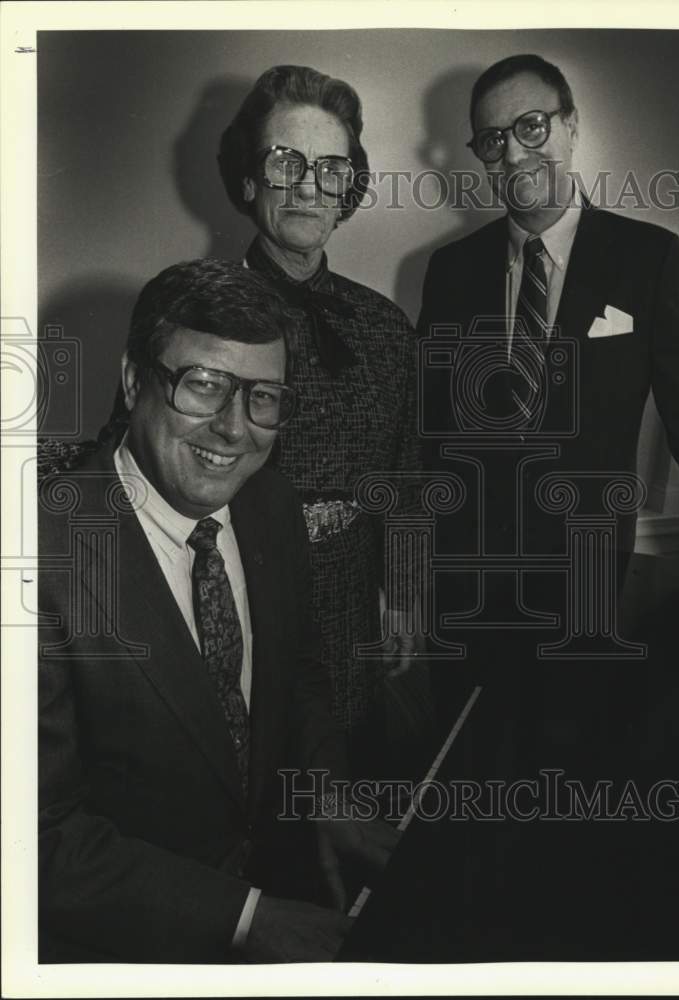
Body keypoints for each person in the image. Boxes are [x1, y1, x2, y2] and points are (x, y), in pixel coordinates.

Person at [37, 259, 396, 964]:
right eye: (204, 386)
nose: (235, 429)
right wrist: (248, 919)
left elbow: (299, 674)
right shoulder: (36, 554)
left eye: (264, 396)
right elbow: (37, 834)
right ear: (136, 380)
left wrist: (323, 791)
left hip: (284, 880)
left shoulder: (271, 505)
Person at [417, 54, 679, 733]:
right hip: (463, 597)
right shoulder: (451, 271)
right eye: (493, 138)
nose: (514, 152)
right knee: (459, 779)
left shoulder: (648, 260)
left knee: (564, 778)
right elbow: (430, 434)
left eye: (531, 125)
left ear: (570, 127)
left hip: (582, 597)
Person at [217, 65, 426, 778]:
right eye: (286, 161)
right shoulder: (193, 317)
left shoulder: (385, 327)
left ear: (348, 191)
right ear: (249, 181)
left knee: (348, 803)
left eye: (330, 167)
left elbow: (404, 475)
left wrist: (401, 597)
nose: (308, 184)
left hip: (348, 615)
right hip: (233, 603)